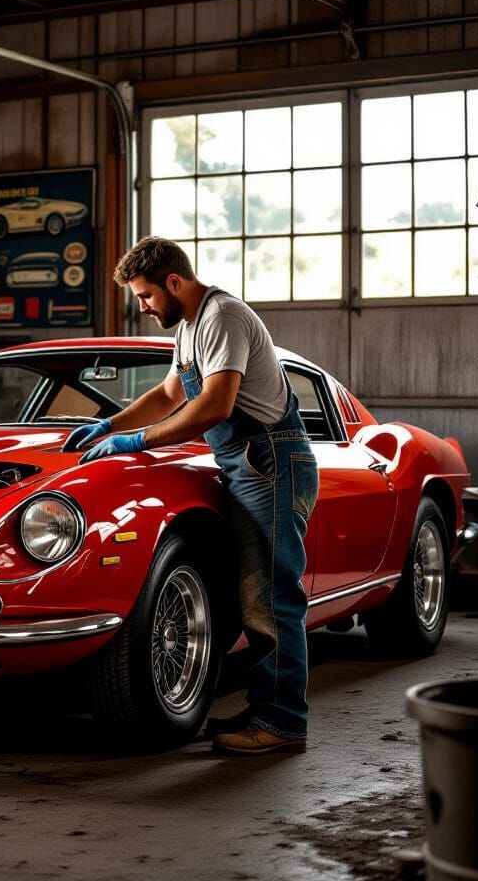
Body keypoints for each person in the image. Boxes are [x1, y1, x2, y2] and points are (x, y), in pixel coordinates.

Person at [64, 237, 318, 755]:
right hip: (246, 463)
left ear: (174, 283)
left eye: (145, 296)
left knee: (272, 597)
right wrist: (105, 425)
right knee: (255, 596)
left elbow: (215, 407)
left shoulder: (223, 316)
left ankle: (285, 722)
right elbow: (167, 395)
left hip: (270, 460)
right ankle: (266, 708)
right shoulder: (189, 327)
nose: (142, 307)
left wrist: (136, 441)